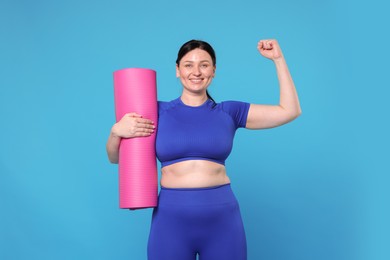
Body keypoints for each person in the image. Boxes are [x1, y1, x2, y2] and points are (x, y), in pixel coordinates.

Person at [106, 39, 301, 260]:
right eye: (188, 65)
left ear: (214, 71)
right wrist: (116, 132)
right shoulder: (155, 111)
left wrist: (278, 59)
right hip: (170, 220)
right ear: (177, 70)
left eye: (204, 65)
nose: (196, 71)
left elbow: (289, 110)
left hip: (222, 220)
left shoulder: (229, 111)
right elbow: (115, 158)